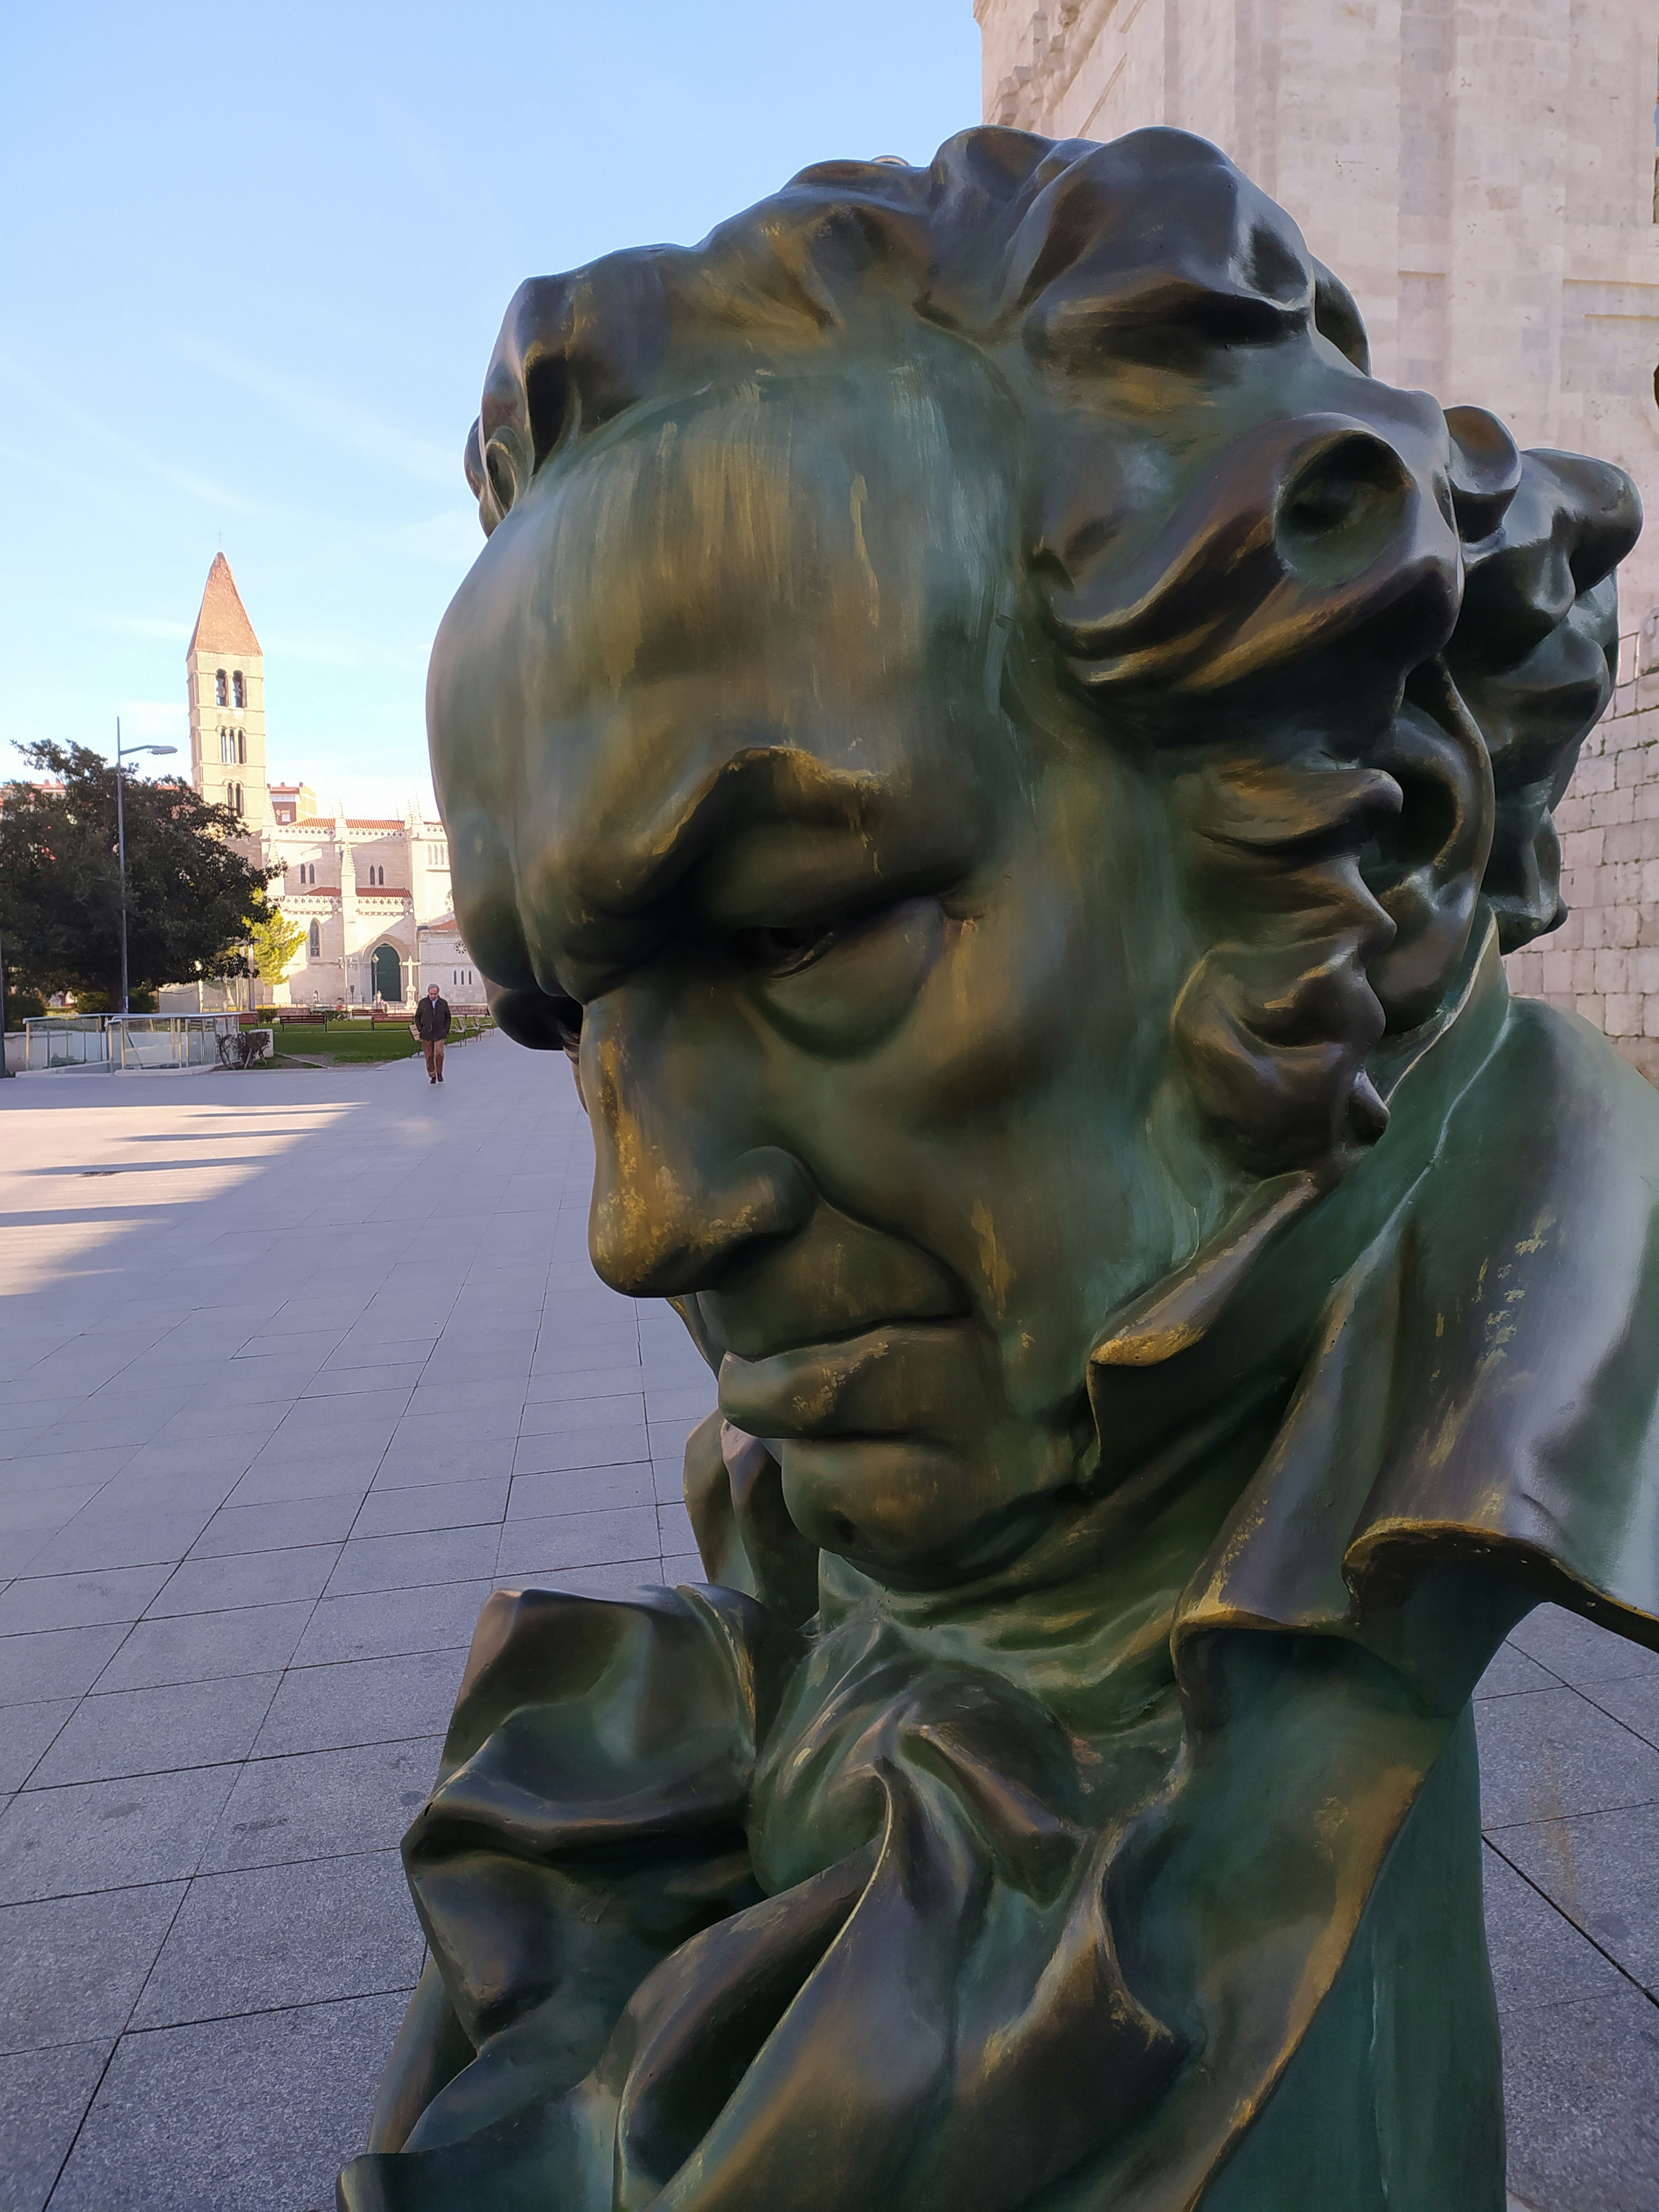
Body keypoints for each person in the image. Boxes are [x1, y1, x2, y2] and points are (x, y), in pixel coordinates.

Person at [342, 128, 1659, 2212]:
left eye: (794, 930)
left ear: (1382, 842)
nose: (641, 1224)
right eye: (566, 1019)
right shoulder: (788, 1613)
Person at [412, 982, 450, 1083]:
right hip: (427, 1034)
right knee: (429, 1056)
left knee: (439, 1054)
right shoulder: (423, 1003)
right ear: (429, 993)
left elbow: (448, 1017)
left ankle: (439, 1073)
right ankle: (432, 1076)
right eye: (431, 994)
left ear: (438, 993)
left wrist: (446, 1030)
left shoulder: (443, 1003)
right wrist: (421, 1029)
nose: (433, 996)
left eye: (435, 994)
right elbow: (417, 1017)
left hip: (439, 1033)